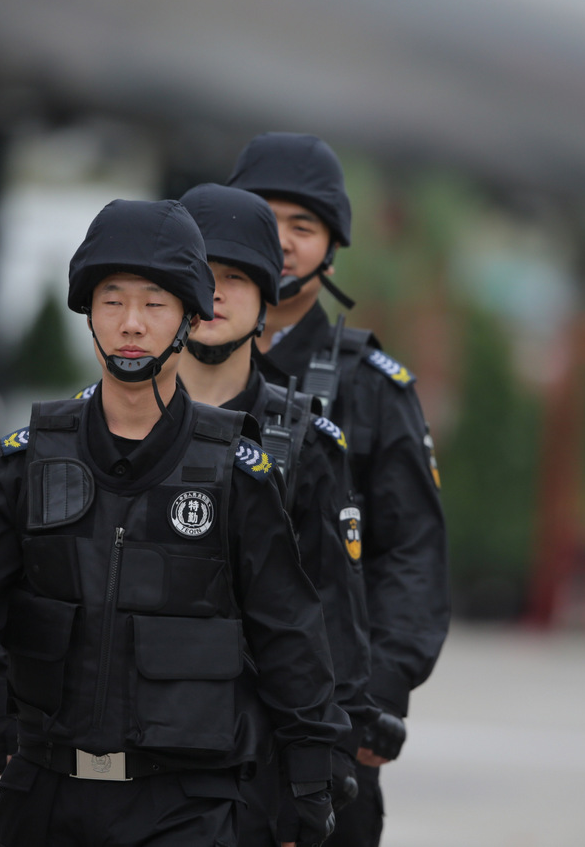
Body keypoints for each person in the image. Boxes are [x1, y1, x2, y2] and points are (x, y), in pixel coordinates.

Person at [0, 198, 343, 847]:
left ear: (191, 317)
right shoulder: (26, 462)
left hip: (190, 806)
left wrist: (309, 776)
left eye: (155, 303)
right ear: (88, 311)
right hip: (47, 796)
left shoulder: (236, 474)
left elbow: (289, 631)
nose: (131, 323)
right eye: (112, 301)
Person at [229, 132, 450, 847]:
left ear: (333, 246)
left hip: (325, 732)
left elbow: (412, 556)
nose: (284, 243)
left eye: (305, 225)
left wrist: (377, 698)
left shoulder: (371, 388)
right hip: (186, 721)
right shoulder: (174, 370)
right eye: (266, 218)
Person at [176, 182, 374, 845]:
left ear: (267, 299)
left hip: (248, 777)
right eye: (200, 274)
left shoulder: (307, 447)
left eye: (237, 277)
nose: (215, 293)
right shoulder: (99, 428)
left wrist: (324, 771)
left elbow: (330, 627)